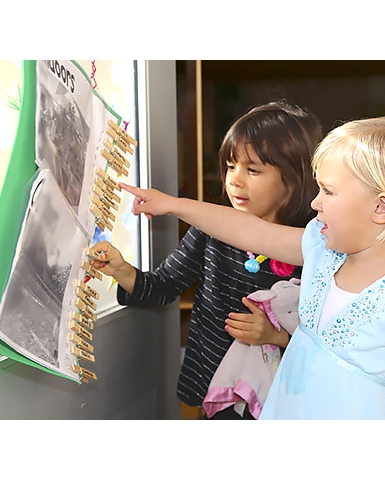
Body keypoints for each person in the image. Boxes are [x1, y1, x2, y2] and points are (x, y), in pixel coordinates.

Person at [115, 115, 385, 420]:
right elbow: (250, 230)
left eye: (328, 192)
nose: (314, 202)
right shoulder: (322, 251)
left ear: (381, 207)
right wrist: (173, 205)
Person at [89, 100, 323, 419]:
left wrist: (276, 336)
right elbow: (163, 286)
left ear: (294, 178)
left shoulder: (313, 247)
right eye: (230, 166)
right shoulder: (211, 230)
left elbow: (327, 337)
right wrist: (121, 270)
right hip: (213, 391)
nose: (234, 180)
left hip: (278, 399)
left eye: (252, 170)